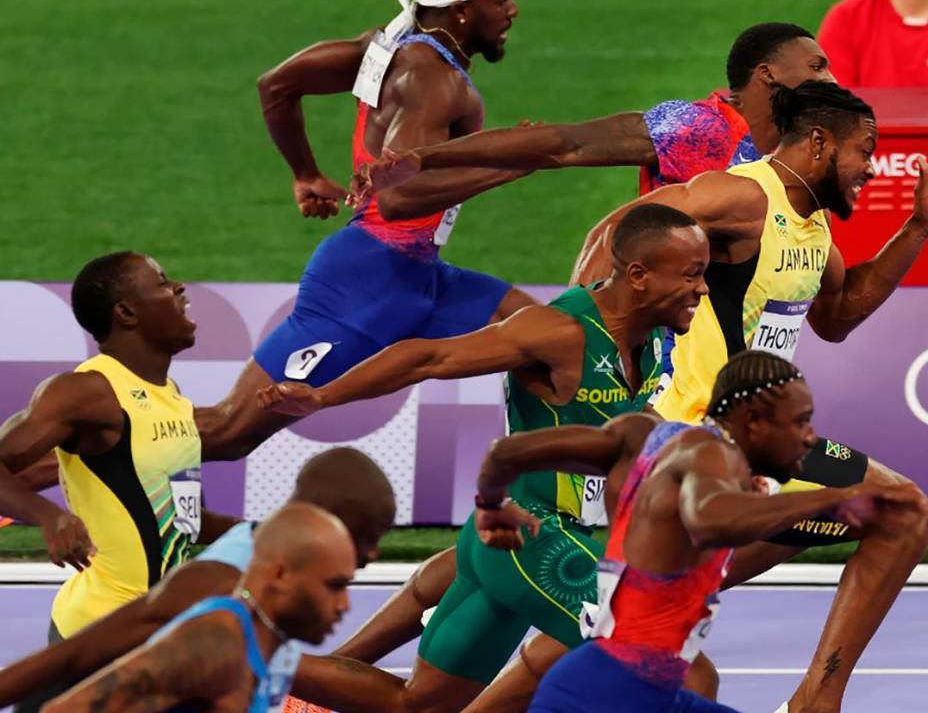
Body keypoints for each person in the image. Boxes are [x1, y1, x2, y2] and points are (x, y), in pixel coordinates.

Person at [563, 80, 928, 712]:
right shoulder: (743, 196)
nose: (872, 169)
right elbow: (623, 227)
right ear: (819, 143)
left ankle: (815, 701)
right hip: (690, 446)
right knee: (623, 653)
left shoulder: (813, 228)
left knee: (901, 512)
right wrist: (591, 340)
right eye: (864, 151)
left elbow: (839, 315)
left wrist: (918, 229)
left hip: (758, 450)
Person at [256, 204, 712, 712]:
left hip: (538, 542)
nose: (704, 288)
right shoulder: (560, 332)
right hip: (529, 536)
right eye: (692, 275)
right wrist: (323, 397)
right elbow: (428, 357)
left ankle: (254, 660)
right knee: (679, 668)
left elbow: (628, 428)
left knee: (417, 705)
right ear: (639, 275)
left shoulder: (654, 340)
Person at [195, 0, 538, 463]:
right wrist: (510, 165)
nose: (512, 11)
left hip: (419, 275)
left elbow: (277, 86)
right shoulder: (433, 79)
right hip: (367, 282)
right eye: (502, 0)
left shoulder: (387, 44)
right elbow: (400, 202)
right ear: (464, 10)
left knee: (546, 340)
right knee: (226, 432)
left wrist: (306, 174)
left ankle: (537, 494)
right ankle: (46, 461)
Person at [473, 351, 902, 713]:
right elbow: (708, 519)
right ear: (754, 421)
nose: (811, 438)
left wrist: (491, 506)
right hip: (606, 696)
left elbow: (505, 452)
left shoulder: (642, 435)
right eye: (801, 422)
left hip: (628, 689)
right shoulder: (711, 458)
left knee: (701, 679)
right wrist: (830, 498)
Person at [0, 252, 236, 713]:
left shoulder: (173, 400)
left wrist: (265, 535)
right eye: (164, 283)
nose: (180, 288)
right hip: (97, 638)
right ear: (125, 313)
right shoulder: (85, 392)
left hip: (159, 634)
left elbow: (181, 519)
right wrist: (49, 517)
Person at [0, 447, 396, 711]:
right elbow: (77, 656)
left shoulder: (280, 593)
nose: (372, 553)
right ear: (320, 520)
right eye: (366, 535)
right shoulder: (219, 594)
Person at [362, 21, 835, 202]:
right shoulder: (703, 128)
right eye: (817, 66)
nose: (830, 80)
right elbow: (568, 143)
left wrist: (914, 228)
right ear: (767, 73)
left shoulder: (791, 153)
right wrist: (425, 158)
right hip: (662, 361)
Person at [43, 502, 357, 713]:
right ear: (279, 575)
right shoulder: (210, 648)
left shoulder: (276, 652)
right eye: (333, 586)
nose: (345, 605)